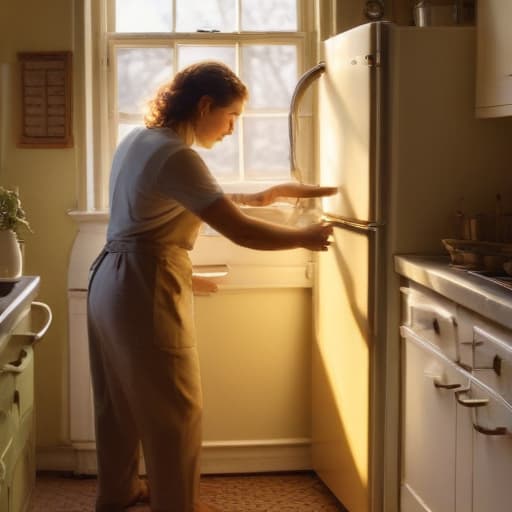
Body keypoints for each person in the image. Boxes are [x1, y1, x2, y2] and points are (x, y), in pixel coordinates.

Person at [87, 61, 336, 512]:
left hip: (110, 279)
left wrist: (262, 198)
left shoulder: (141, 142)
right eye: (232, 116)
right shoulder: (178, 154)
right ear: (204, 105)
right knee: (175, 408)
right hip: (142, 283)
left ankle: (119, 491)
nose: (232, 129)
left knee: (117, 402)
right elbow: (241, 231)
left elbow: (168, 204)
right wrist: (305, 237)